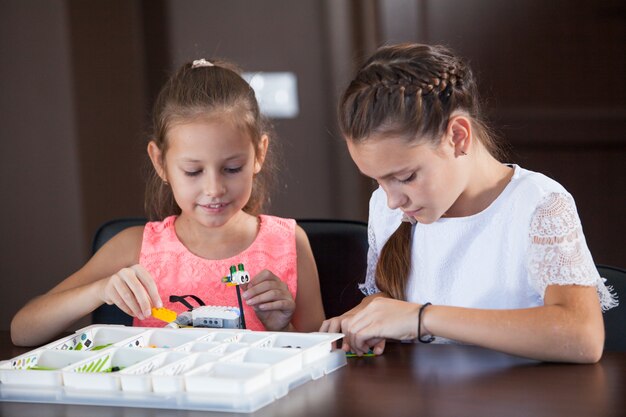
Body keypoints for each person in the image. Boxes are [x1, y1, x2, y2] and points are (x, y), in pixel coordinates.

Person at [320, 43, 617, 363]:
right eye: (377, 179)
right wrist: (371, 312)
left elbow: (583, 337)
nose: (392, 200)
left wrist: (422, 318)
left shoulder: (538, 204)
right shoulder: (387, 206)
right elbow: (395, 300)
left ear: (458, 137)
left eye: (405, 177)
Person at [11, 58, 325, 346]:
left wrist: (282, 329)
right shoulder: (132, 248)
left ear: (259, 154)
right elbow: (23, 330)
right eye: (193, 171)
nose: (214, 188)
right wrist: (99, 290)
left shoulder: (289, 244)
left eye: (232, 169)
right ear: (160, 162)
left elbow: (324, 357)